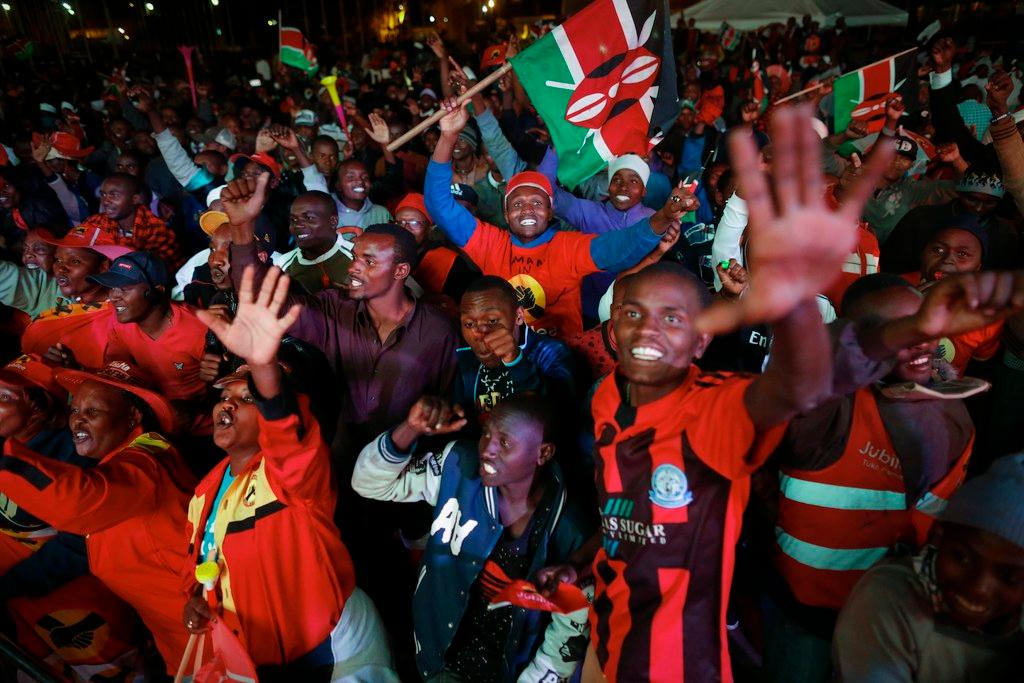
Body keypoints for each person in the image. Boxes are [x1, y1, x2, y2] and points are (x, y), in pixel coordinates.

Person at [572, 105, 894, 683]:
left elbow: (792, 388)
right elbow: (628, 506)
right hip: (617, 623)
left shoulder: (743, 378)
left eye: (671, 320)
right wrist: (587, 561)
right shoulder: (607, 398)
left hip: (697, 617)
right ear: (609, 328)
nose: (648, 330)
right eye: (632, 315)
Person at [764, 271, 1024, 682]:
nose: (918, 337)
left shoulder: (953, 409)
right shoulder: (829, 413)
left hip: (898, 619)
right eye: (894, 331)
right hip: (809, 616)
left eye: (923, 320)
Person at [185, 266, 397, 681]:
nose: (226, 405)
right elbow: (206, 558)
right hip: (256, 651)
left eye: (246, 398)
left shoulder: (295, 476)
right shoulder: (205, 490)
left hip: (330, 651)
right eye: (224, 394)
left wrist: (263, 366)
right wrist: (196, 596)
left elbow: (285, 432)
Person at [353, 393, 596, 682]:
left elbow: (568, 633)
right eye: (486, 434)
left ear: (543, 453)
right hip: (436, 656)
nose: (487, 449)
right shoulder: (459, 470)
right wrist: (411, 428)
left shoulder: (571, 529)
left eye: (505, 443)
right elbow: (366, 483)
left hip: (511, 672)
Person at [425, 97, 698, 337]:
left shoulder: (567, 247)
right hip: (503, 355)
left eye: (537, 202)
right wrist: (448, 136)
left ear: (550, 209)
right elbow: (439, 205)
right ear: (506, 214)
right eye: (518, 204)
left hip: (562, 361)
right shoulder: (490, 243)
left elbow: (617, 248)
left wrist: (664, 216)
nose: (528, 209)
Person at [222, 174, 459, 450]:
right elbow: (261, 301)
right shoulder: (333, 309)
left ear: (400, 271)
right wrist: (241, 228)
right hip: (340, 460)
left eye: (368, 261)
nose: (353, 267)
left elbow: (447, 406)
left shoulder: (438, 331)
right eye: (356, 257)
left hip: (406, 468)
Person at [0, 360, 195, 675]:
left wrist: (6, 465)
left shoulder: (146, 461)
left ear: (133, 416)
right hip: (172, 633)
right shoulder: (116, 460)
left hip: (206, 630)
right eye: (75, 411)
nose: (77, 422)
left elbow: (76, 503)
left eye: (93, 413)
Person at [833, 453, 1024, 682]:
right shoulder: (889, 598)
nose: (978, 588)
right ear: (938, 538)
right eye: (961, 558)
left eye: (1010, 578)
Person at [87, 250, 210, 429]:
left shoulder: (197, 328)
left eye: (124, 288)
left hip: (204, 431)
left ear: (157, 291)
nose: (113, 297)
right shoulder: (120, 324)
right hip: (154, 424)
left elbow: (231, 387)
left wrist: (194, 408)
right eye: (112, 288)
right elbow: (117, 377)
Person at [454, 275, 582, 427]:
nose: (479, 334)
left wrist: (515, 361)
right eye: (469, 324)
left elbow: (562, 418)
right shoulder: (464, 358)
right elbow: (459, 416)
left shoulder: (551, 352)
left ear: (519, 316)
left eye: (492, 321)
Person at [80, 172, 182, 267]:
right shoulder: (94, 222)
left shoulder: (158, 230)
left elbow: (165, 270)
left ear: (135, 199)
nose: (105, 201)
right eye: (103, 194)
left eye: (114, 195)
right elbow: (73, 243)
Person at [394, 192, 479, 300]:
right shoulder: (386, 255)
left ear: (430, 228)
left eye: (414, 223)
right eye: (400, 222)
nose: (405, 228)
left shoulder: (449, 261)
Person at [275, 190, 355, 294]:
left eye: (308, 218)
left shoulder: (357, 256)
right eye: (293, 220)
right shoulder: (282, 264)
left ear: (333, 221)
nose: (298, 225)